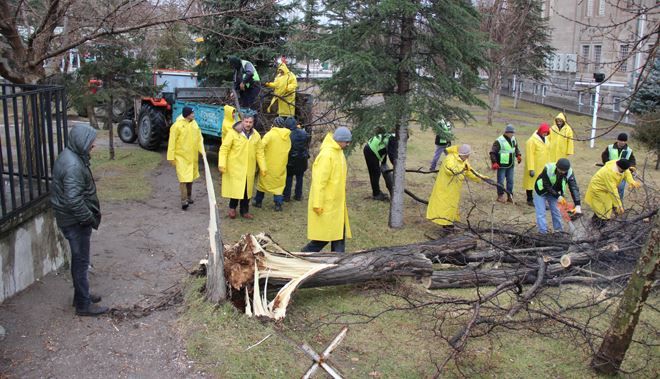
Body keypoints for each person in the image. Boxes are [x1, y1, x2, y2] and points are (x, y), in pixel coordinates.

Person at [51, 125, 108, 316]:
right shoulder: (73, 166)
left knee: (79, 261)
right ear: (82, 141)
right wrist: (89, 218)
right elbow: (74, 199)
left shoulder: (70, 155)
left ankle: (80, 296)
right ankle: (83, 305)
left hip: (70, 219)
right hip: (75, 222)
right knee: (81, 262)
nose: (93, 145)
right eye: (91, 141)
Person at [302, 127, 352, 253]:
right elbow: (319, 182)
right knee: (323, 238)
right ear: (340, 141)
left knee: (339, 235)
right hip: (327, 204)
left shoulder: (338, 152)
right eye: (346, 142)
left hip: (337, 204)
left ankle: (338, 261)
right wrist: (317, 203)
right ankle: (303, 254)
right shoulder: (326, 155)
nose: (348, 144)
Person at [218, 114, 267, 219]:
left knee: (246, 191)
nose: (248, 124)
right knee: (236, 189)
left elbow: (260, 152)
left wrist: (263, 167)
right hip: (235, 167)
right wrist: (222, 163)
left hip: (249, 168)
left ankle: (244, 211)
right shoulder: (233, 133)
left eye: (250, 122)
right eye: (246, 122)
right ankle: (232, 208)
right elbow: (224, 149)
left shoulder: (256, 135)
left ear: (253, 123)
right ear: (242, 121)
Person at [426, 144, 486, 228]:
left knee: (451, 206)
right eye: (467, 156)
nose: (468, 158)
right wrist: (461, 169)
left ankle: (449, 223)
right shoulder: (450, 158)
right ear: (462, 154)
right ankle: (446, 225)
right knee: (444, 205)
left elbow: (470, 172)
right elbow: (449, 170)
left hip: (454, 189)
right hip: (445, 187)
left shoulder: (463, 160)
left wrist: (481, 178)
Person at [167, 106, 205, 210]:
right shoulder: (177, 126)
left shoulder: (194, 124)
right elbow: (172, 142)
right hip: (181, 157)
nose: (194, 114)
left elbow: (199, 138)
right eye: (192, 113)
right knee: (183, 179)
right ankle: (184, 201)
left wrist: (202, 151)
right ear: (187, 114)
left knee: (190, 178)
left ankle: (189, 196)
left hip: (192, 156)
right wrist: (171, 157)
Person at [586, 158, 641, 227]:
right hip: (598, 188)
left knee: (605, 206)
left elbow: (626, 172)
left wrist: (632, 182)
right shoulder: (609, 173)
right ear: (619, 167)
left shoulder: (619, 163)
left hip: (606, 188)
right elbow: (613, 191)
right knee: (604, 207)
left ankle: (596, 221)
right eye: (623, 170)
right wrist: (619, 205)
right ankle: (599, 224)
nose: (624, 171)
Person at [532, 158, 582, 234]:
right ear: (557, 167)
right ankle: (543, 233)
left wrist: (578, 204)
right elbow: (546, 185)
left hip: (554, 193)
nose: (562, 172)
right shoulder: (548, 169)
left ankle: (558, 232)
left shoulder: (569, 172)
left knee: (556, 212)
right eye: (560, 170)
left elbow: (573, 187)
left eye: (564, 171)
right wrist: (558, 196)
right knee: (541, 213)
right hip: (541, 191)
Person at [253, 117, 291, 211]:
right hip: (280, 166)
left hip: (268, 165)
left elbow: (261, 146)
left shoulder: (270, 134)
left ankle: (258, 202)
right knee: (278, 186)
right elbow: (288, 149)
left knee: (262, 184)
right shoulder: (287, 137)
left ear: (273, 124)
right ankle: (278, 204)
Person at [489, 124, 521, 203]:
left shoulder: (513, 139)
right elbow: (492, 152)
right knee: (500, 181)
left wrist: (518, 155)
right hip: (501, 165)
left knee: (510, 181)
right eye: (512, 133)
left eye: (513, 133)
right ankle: (500, 196)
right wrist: (494, 162)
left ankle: (510, 196)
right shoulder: (499, 141)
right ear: (507, 132)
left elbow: (515, 148)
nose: (513, 134)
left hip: (511, 164)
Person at [601, 133, 637, 200]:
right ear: (617, 140)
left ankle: (618, 205)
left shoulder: (629, 150)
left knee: (620, 189)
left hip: (622, 173)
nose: (622, 142)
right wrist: (608, 164)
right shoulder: (610, 147)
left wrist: (632, 167)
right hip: (610, 172)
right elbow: (604, 156)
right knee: (609, 188)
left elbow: (632, 160)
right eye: (621, 140)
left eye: (624, 141)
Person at [363, 132, 397, 201]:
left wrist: (383, 162)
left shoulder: (393, 136)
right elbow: (391, 155)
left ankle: (377, 192)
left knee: (376, 172)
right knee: (375, 173)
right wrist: (397, 167)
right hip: (370, 150)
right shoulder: (394, 139)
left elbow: (385, 148)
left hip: (372, 148)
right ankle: (376, 195)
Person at [523, 123, 551, 206]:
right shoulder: (531, 141)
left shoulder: (546, 139)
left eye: (546, 132)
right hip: (534, 166)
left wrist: (549, 166)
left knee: (542, 183)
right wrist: (531, 169)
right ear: (540, 131)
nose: (545, 134)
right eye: (544, 132)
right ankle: (529, 199)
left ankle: (540, 200)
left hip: (543, 166)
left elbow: (548, 152)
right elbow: (529, 155)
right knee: (531, 183)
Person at [283, 117, 310, 202]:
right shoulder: (304, 133)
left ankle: (286, 196)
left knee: (289, 178)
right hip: (302, 159)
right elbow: (307, 144)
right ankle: (298, 195)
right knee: (300, 178)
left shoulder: (287, 134)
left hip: (291, 160)